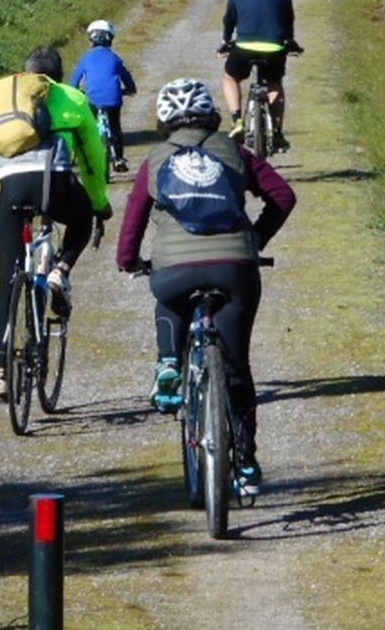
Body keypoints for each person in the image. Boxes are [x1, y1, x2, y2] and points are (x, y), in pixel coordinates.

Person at [117, 78, 296, 496]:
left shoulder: (155, 160)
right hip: (235, 267)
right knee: (237, 365)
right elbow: (283, 197)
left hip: (174, 269)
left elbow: (133, 223)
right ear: (212, 114)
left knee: (166, 292)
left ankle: (168, 363)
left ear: (164, 120)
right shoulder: (235, 152)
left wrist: (129, 261)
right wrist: (254, 239)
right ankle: (247, 463)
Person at [0, 46, 112, 400]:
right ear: (56, 74)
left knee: (7, 275)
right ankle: (59, 270)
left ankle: (0, 371)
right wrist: (100, 204)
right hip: (54, 183)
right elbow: (92, 156)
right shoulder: (71, 97)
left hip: (10, 187)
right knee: (81, 219)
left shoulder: (5, 100)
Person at [218, 0, 302, 152]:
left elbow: (229, 20)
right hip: (274, 47)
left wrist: (226, 41)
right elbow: (288, 19)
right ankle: (277, 130)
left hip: (244, 47)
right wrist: (290, 41)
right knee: (274, 84)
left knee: (231, 78)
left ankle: (237, 121)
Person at [70, 19, 138, 173]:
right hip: (113, 98)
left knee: (90, 127)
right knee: (115, 127)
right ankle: (118, 157)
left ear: (91, 40)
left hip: (92, 99)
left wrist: (76, 91)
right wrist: (130, 89)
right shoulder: (114, 58)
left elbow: (75, 80)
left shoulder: (86, 58)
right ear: (110, 40)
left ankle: (88, 157)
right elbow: (126, 78)